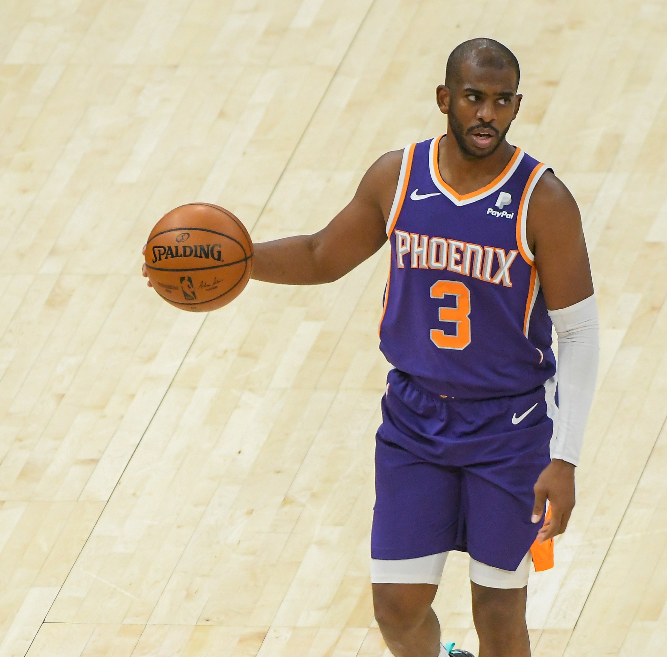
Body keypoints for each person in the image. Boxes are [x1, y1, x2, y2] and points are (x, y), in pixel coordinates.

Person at [152, 38, 600, 657]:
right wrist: (239, 262)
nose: (487, 114)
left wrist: (566, 459)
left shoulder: (542, 201)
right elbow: (320, 255)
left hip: (510, 428)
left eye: (501, 102)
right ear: (445, 98)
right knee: (397, 610)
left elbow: (578, 333)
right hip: (416, 422)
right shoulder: (399, 176)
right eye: (473, 98)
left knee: (499, 615)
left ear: (517, 106)